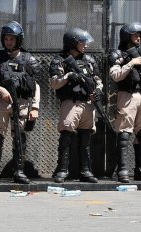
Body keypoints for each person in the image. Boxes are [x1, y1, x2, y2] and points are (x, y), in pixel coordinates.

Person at [0, 21, 41, 184]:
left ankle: (19, 172)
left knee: (19, 137)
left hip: (22, 102)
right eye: (6, 39)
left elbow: (36, 85)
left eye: (12, 39)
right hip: (1, 102)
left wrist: (35, 107)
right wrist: (0, 90)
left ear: (18, 40)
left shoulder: (29, 59)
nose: (9, 42)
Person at [49, 28, 102, 183]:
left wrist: (98, 91)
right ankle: (62, 170)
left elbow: (98, 81)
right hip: (70, 103)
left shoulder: (90, 60)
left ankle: (86, 171)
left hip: (88, 103)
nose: (85, 45)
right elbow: (54, 83)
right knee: (66, 137)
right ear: (73, 43)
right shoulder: (60, 60)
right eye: (82, 42)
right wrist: (69, 75)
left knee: (86, 139)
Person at [109, 22, 141, 183]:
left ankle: (139, 170)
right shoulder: (118, 54)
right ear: (127, 36)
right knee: (124, 134)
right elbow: (115, 76)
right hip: (127, 96)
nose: (139, 38)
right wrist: (131, 63)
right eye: (136, 34)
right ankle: (122, 170)